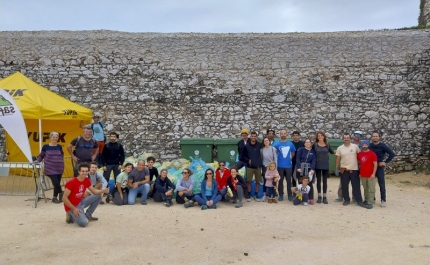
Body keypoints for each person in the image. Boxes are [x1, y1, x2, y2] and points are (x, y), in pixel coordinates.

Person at [335, 133, 372, 209]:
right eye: (345, 138)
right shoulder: (340, 148)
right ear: (343, 139)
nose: (346, 139)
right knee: (344, 186)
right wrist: (336, 168)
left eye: (347, 138)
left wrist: (364, 166)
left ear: (350, 138)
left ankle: (359, 201)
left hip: (354, 170)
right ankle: (346, 199)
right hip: (344, 170)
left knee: (356, 186)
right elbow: (338, 159)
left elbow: (360, 156)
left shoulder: (355, 147)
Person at [34, 132, 65, 204]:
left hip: (59, 167)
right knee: (56, 182)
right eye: (53, 137)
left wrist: (60, 161)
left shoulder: (59, 146)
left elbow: (62, 154)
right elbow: (41, 156)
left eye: (56, 137)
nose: (55, 138)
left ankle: (55, 198)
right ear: (50, 138)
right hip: (50, 167)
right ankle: (61, 193)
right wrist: (37, 160)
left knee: (57, 182)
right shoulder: (45, 146)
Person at [369, 131, 396, 207]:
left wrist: (385, 162)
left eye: (376, 136)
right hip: (371, 168)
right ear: (372, 137)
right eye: (373, 136)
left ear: (379, 137)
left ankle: (383, 200)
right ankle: (372, 198)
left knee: (381, 185)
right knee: (371, 184)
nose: (375, 137)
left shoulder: (383, 146)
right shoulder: (370, 146)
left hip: (379, 168)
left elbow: (392, 154)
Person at [273, 129, 296, 201]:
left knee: (289, 181)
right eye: (282, 134)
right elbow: (274, 153)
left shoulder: (290, 144)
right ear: (280, 135)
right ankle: (281, 195)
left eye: (284, 133)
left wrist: (288, 159)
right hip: (280, 166)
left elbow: (293, 153)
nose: (283, 135)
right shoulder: (277, 144)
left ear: (286, 134)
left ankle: (290, 195)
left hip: (289, 166)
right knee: (280, 181)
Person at [313, 132, 334, 204]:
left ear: (324, 136)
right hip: (318, 164)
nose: (320, 137)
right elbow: (311, 152)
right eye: (318, 136)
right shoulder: (315, 145)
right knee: (318, 181)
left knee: (325, 181)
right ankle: (319, 196)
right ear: (317, 137)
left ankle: (324, 196)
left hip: (325, 165)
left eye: (321, 135)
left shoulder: (327, 144)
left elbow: (332, 152)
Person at [241, 131, 263, 202]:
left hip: (258, 166)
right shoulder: (246, 146)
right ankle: (249, 195)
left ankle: (256, 195)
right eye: (252, 136)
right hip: (250, 167)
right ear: (250, 137)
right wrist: (248, 160)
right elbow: (242, 156)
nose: (253, 138)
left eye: (254, 136)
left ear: (256, 137)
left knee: (257, 182)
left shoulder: (259, 145)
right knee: (248, 182)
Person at [296, 139, 316, 204]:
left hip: (309, 169)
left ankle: (310, 198)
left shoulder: (313, 151)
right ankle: (300, 197)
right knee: (300, 183)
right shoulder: (300, 150)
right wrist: (298, 167)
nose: (307, 143)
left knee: (309, 183)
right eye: (306, 142)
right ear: (304, 144)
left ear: (311, 144)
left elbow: (313, 160)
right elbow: (298, 158)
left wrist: (312, 169)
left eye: (309, 142)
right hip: (301, 168)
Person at [358, 140, 378, 207]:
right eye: (363, 145)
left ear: (368, 145)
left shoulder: (372, 154)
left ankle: (371, 202)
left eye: (366, 145)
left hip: (370, 175)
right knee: (365, 188)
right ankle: (366, 200)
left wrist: (373, 173)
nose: (364, 146)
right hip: (363, 174)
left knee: (371, 189)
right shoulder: (360, 154)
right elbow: (359, 162)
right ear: (361, 145)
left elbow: (375, 164)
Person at [260, 137, 277, 202]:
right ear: (263, 142)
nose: (266, 142)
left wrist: (276, 167)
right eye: (265, 141)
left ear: (269, 142)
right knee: (266, 180)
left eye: (267, 140)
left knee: (274, 180)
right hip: (265, 167)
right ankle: (264, 195)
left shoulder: (273, 149)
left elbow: (275, 158)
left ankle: (273, 195)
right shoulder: (262, 150)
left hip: (272, 167)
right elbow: (262, 159)